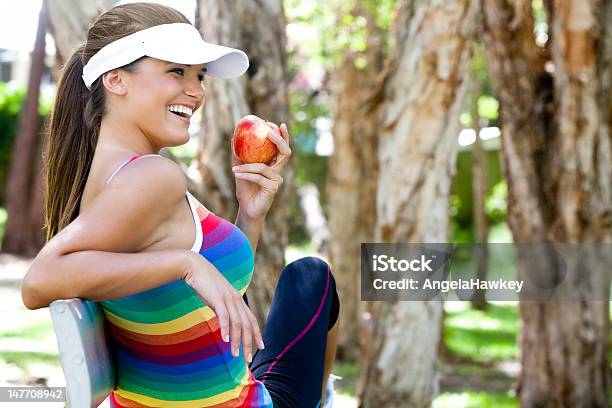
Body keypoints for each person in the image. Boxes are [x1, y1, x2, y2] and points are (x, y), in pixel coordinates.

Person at [20, 3, 340, 407]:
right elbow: (37, 283)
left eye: (200, 76)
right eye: (177, 71)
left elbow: (203, 305)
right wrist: (185, 264)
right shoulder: (153, 176)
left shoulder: (105, 176)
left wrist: (249, 214)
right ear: (116, 80)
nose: (197, 91)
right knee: (312, 277)